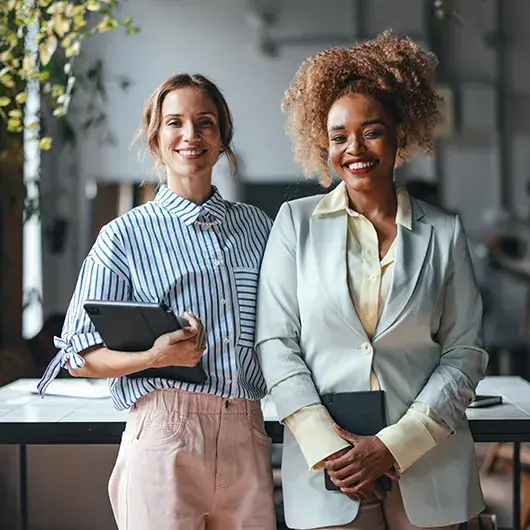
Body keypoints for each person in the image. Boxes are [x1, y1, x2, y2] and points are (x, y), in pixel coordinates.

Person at [255, 31, 488, 530]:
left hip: (431, 466)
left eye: (371, 131)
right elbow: (276, 342)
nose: (354, 148)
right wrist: (329, 446)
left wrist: (393, 446)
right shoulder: (293, 224)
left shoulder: (444, 233)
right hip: (330, 471)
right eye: (338, 136)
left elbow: (464, 352)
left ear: (400, 133)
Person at [38, 74, 276, 530]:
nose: (191, 135)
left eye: (205, 122)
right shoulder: (124, 235)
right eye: (175, 123)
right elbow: (76, 356)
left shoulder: (257, 228)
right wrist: (154, 356)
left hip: (247, 428)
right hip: (165, 431)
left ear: (222, 138)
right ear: (156, 138)